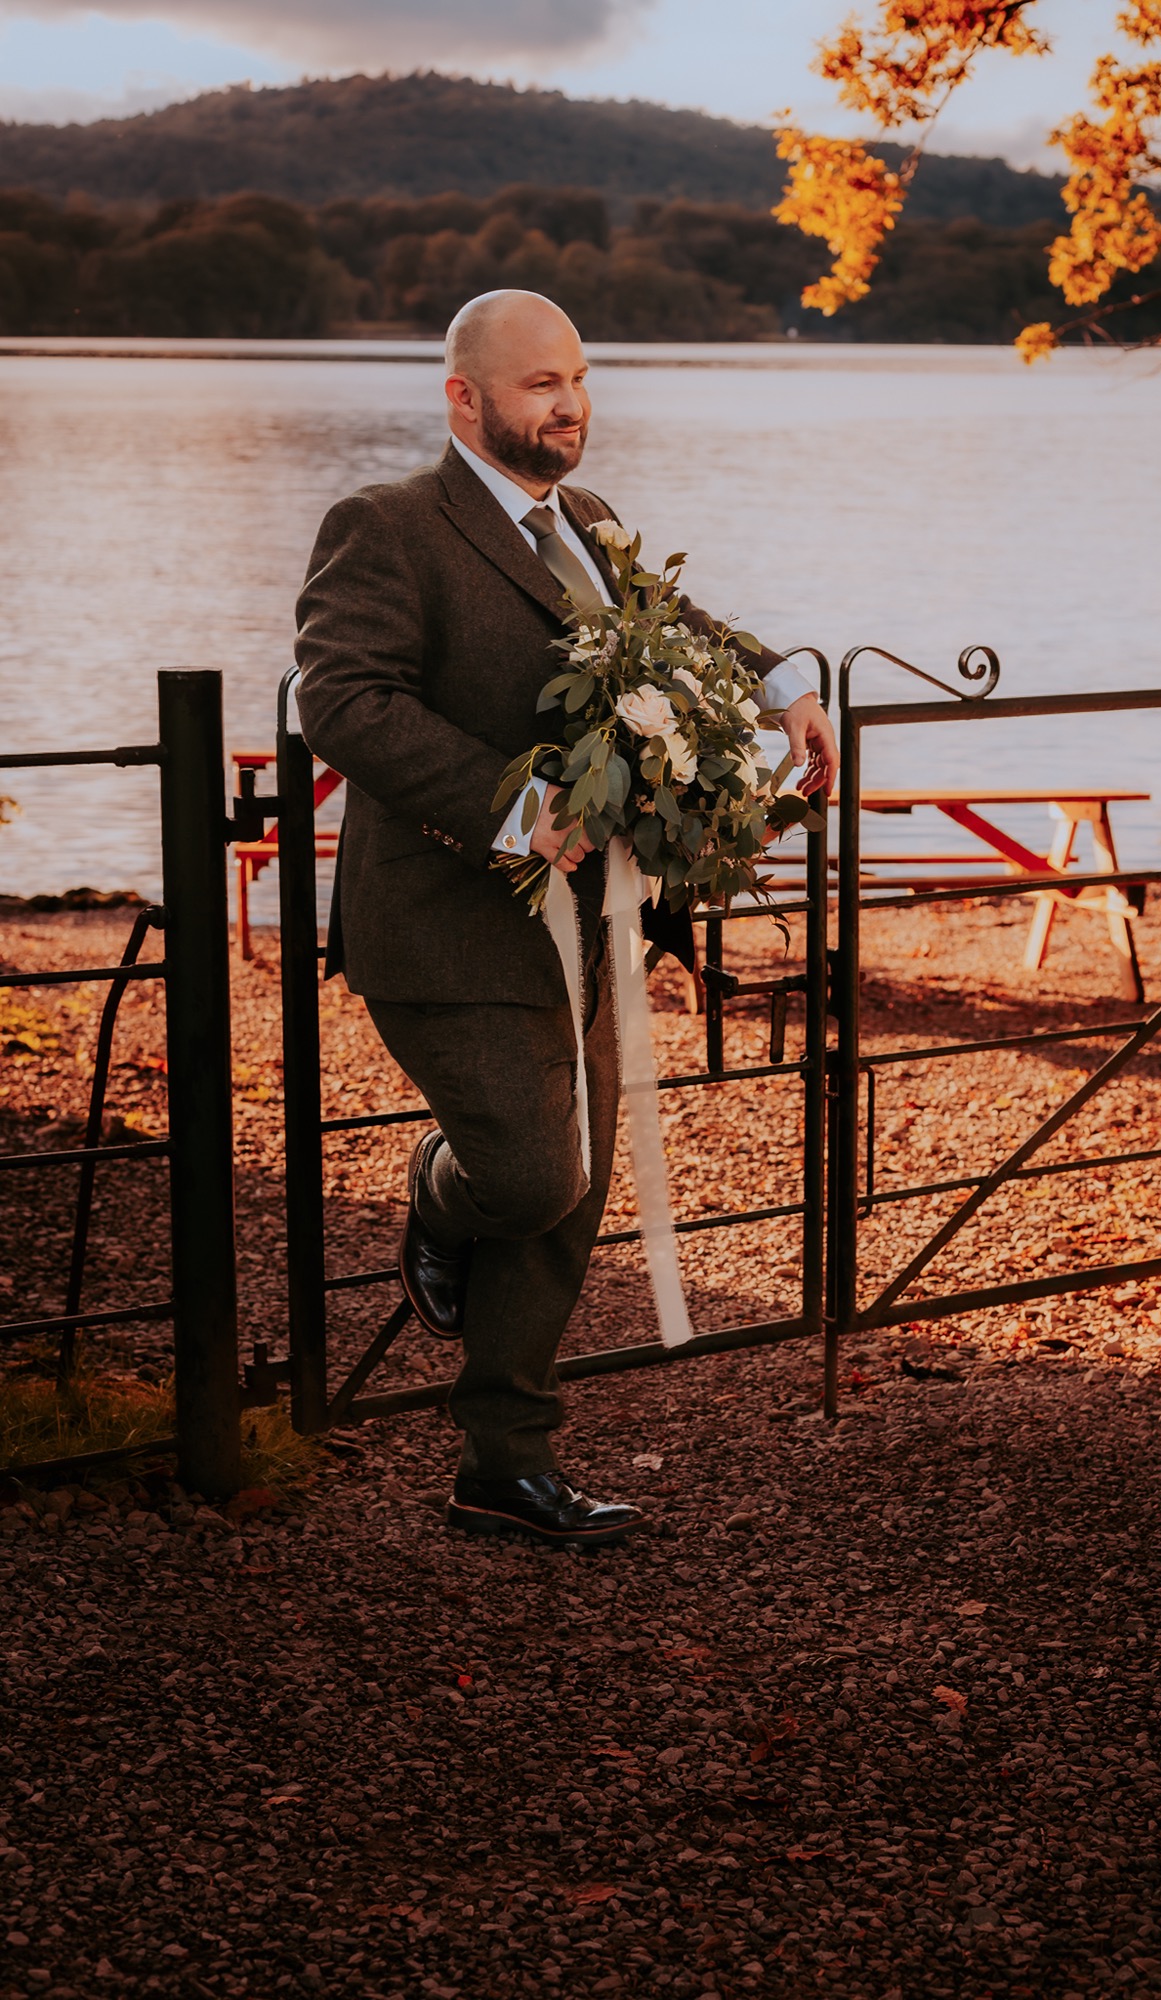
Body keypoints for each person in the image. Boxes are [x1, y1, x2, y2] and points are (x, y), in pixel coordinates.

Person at [294, 288, 839, 1551]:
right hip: (442, 918)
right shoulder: (385, 526)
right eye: (540, 383)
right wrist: (511, 804)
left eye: (579, 378)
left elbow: (674, 639)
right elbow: (344, 703)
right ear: (464, 397)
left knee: (574, 1187)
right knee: (531, 1170)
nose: (570, 403)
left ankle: (504, 1463)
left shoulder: (586, 522)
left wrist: (777, 685)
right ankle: (438, 1188)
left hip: (588, 922)